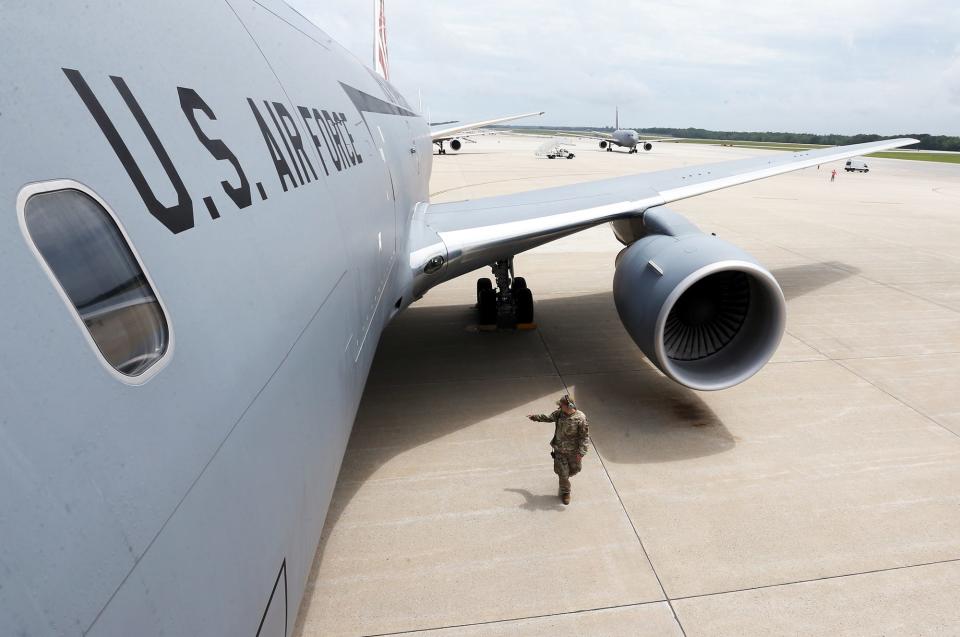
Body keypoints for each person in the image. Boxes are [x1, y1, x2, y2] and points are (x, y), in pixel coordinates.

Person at [527, 395, 589, 505]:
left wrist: (581, 452)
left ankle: (565, 477)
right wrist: (534, 417)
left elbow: (584, 437)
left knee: (576, 469)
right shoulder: (559, 413)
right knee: (563, 474)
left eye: (561, 405)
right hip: (560, 450)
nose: (559, 406)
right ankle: (566, 492)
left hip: (573, 452)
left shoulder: (580, 418)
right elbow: (548, 417)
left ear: (569, 406)